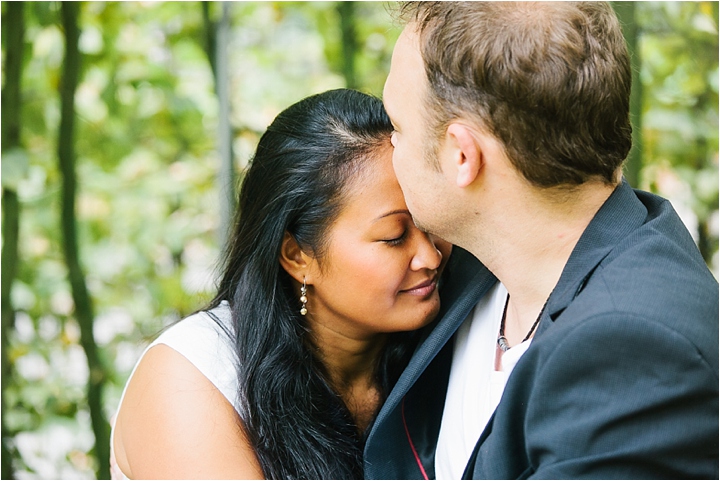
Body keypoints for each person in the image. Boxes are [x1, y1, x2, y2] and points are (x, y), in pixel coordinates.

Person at [364, 2, 719, 479]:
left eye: (398, 128)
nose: (391, 148)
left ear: (462, 156)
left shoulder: (632, 350)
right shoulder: (467, 265)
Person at [111, 88, 452, 479]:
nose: (430, 257)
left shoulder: (453, 334)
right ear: (296, 256)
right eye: (394, 235)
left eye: (429, 221)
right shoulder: (192, 378)